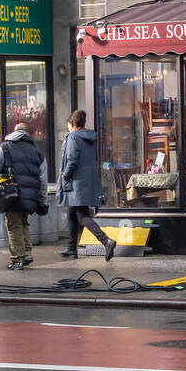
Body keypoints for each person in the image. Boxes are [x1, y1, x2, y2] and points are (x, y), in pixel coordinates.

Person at [0, 121, 47, 270]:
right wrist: (42, 199)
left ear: (14, 132)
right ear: (27, 134)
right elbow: (43, 180)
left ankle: (17, 259)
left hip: (11, 194)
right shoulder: (37, 153)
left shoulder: (4, 148)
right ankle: (26, 253)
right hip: (30, 197)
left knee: (13, 225)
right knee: (24, 223)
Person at [56, 110, 115, 261]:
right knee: (71, 212)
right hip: (86, 181)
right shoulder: (90, 137)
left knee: (81, 215)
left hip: (75, 182)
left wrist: (65, 176)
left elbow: (72, 161)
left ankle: (106, 241)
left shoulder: (73, 137)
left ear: (72, 124)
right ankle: (71, 249)